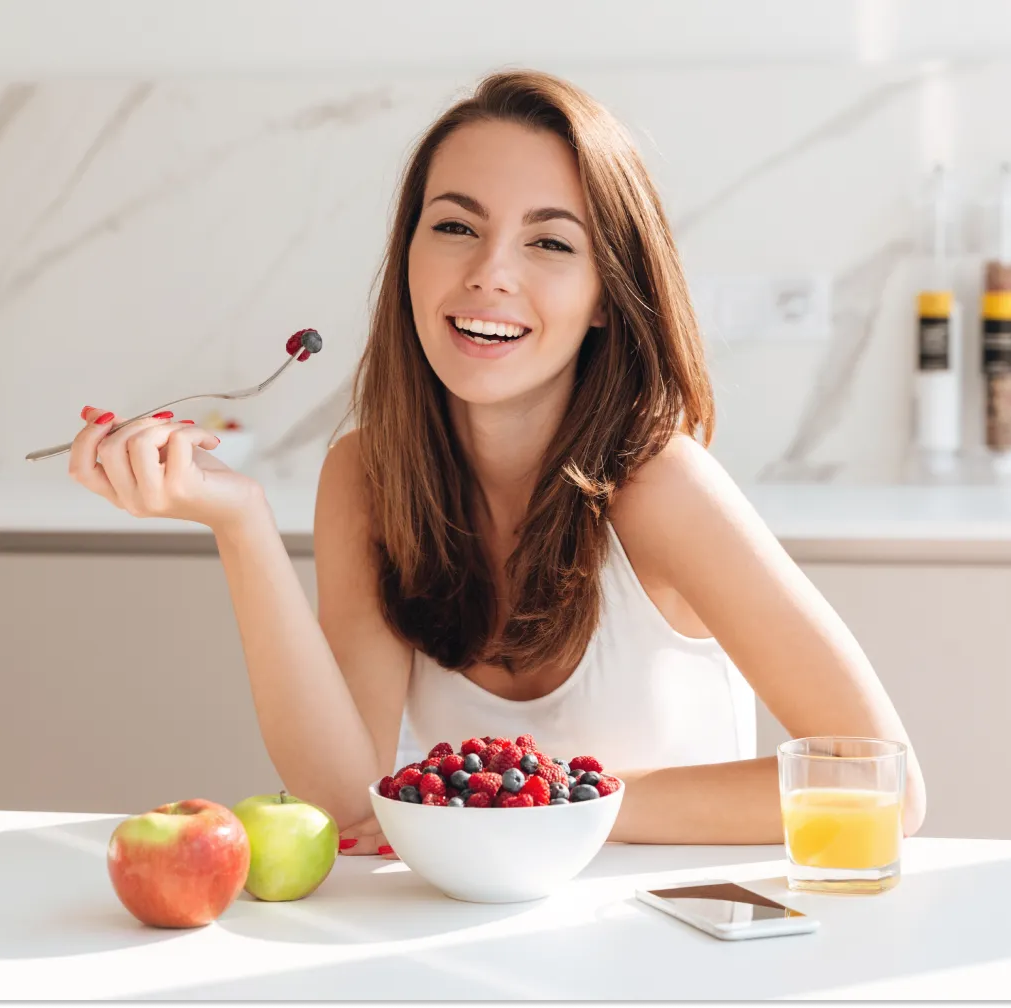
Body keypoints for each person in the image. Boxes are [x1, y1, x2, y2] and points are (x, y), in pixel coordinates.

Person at [68, 70, 926, 856]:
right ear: (408, 256)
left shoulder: (663, 487)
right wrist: (240, 524)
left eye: (549, 244)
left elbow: (881, 787)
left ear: (605, 296)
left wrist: (549, 802)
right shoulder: (369, 477)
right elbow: (341, 800)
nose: (490, 273)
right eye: (455, 227)